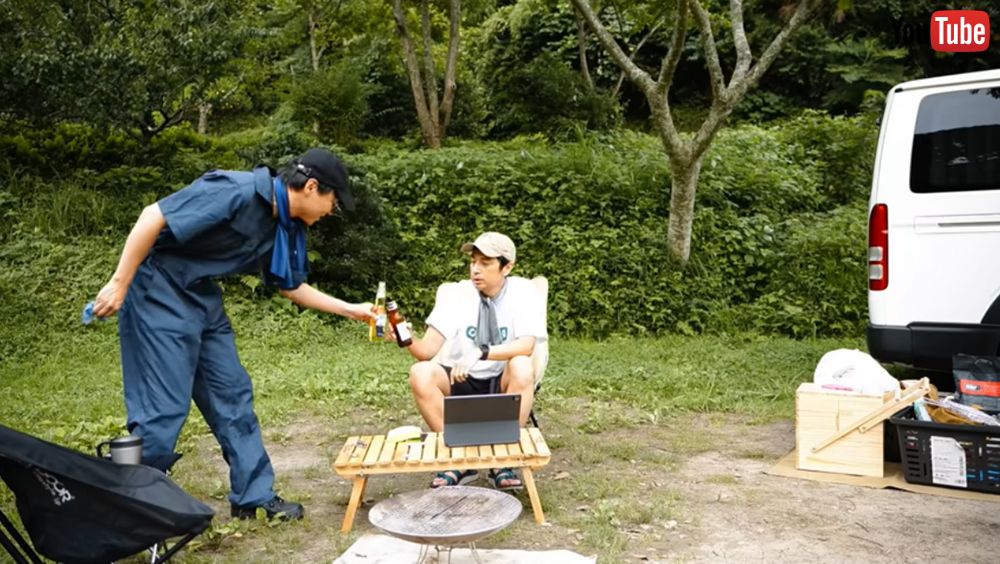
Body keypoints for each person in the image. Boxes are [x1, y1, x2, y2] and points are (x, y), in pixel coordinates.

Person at [88, 148, 374, 521]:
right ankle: (125, 509)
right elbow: (153, 216)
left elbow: (290, 286)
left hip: (201, 298)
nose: (330, 212)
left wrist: (352, 309)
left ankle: (252, 496)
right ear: (311, 187)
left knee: (232, 395)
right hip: (157, 290)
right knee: (163, 411)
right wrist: (119, 283)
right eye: (332, 202)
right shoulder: (235, 191)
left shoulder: (284, 226)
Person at [401, 232, 545, 491]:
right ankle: (458, 458)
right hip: (460, 378)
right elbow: (426, 351)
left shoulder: (522, 292)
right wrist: (405, 337)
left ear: (507, 267)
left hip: (500, 381)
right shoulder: (456, 294)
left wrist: (482, 351)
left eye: (485, 263)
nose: (475, 270)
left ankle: (503, 458)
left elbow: (526, 345)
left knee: (522, 365)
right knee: (420, 372)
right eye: (473, 262)